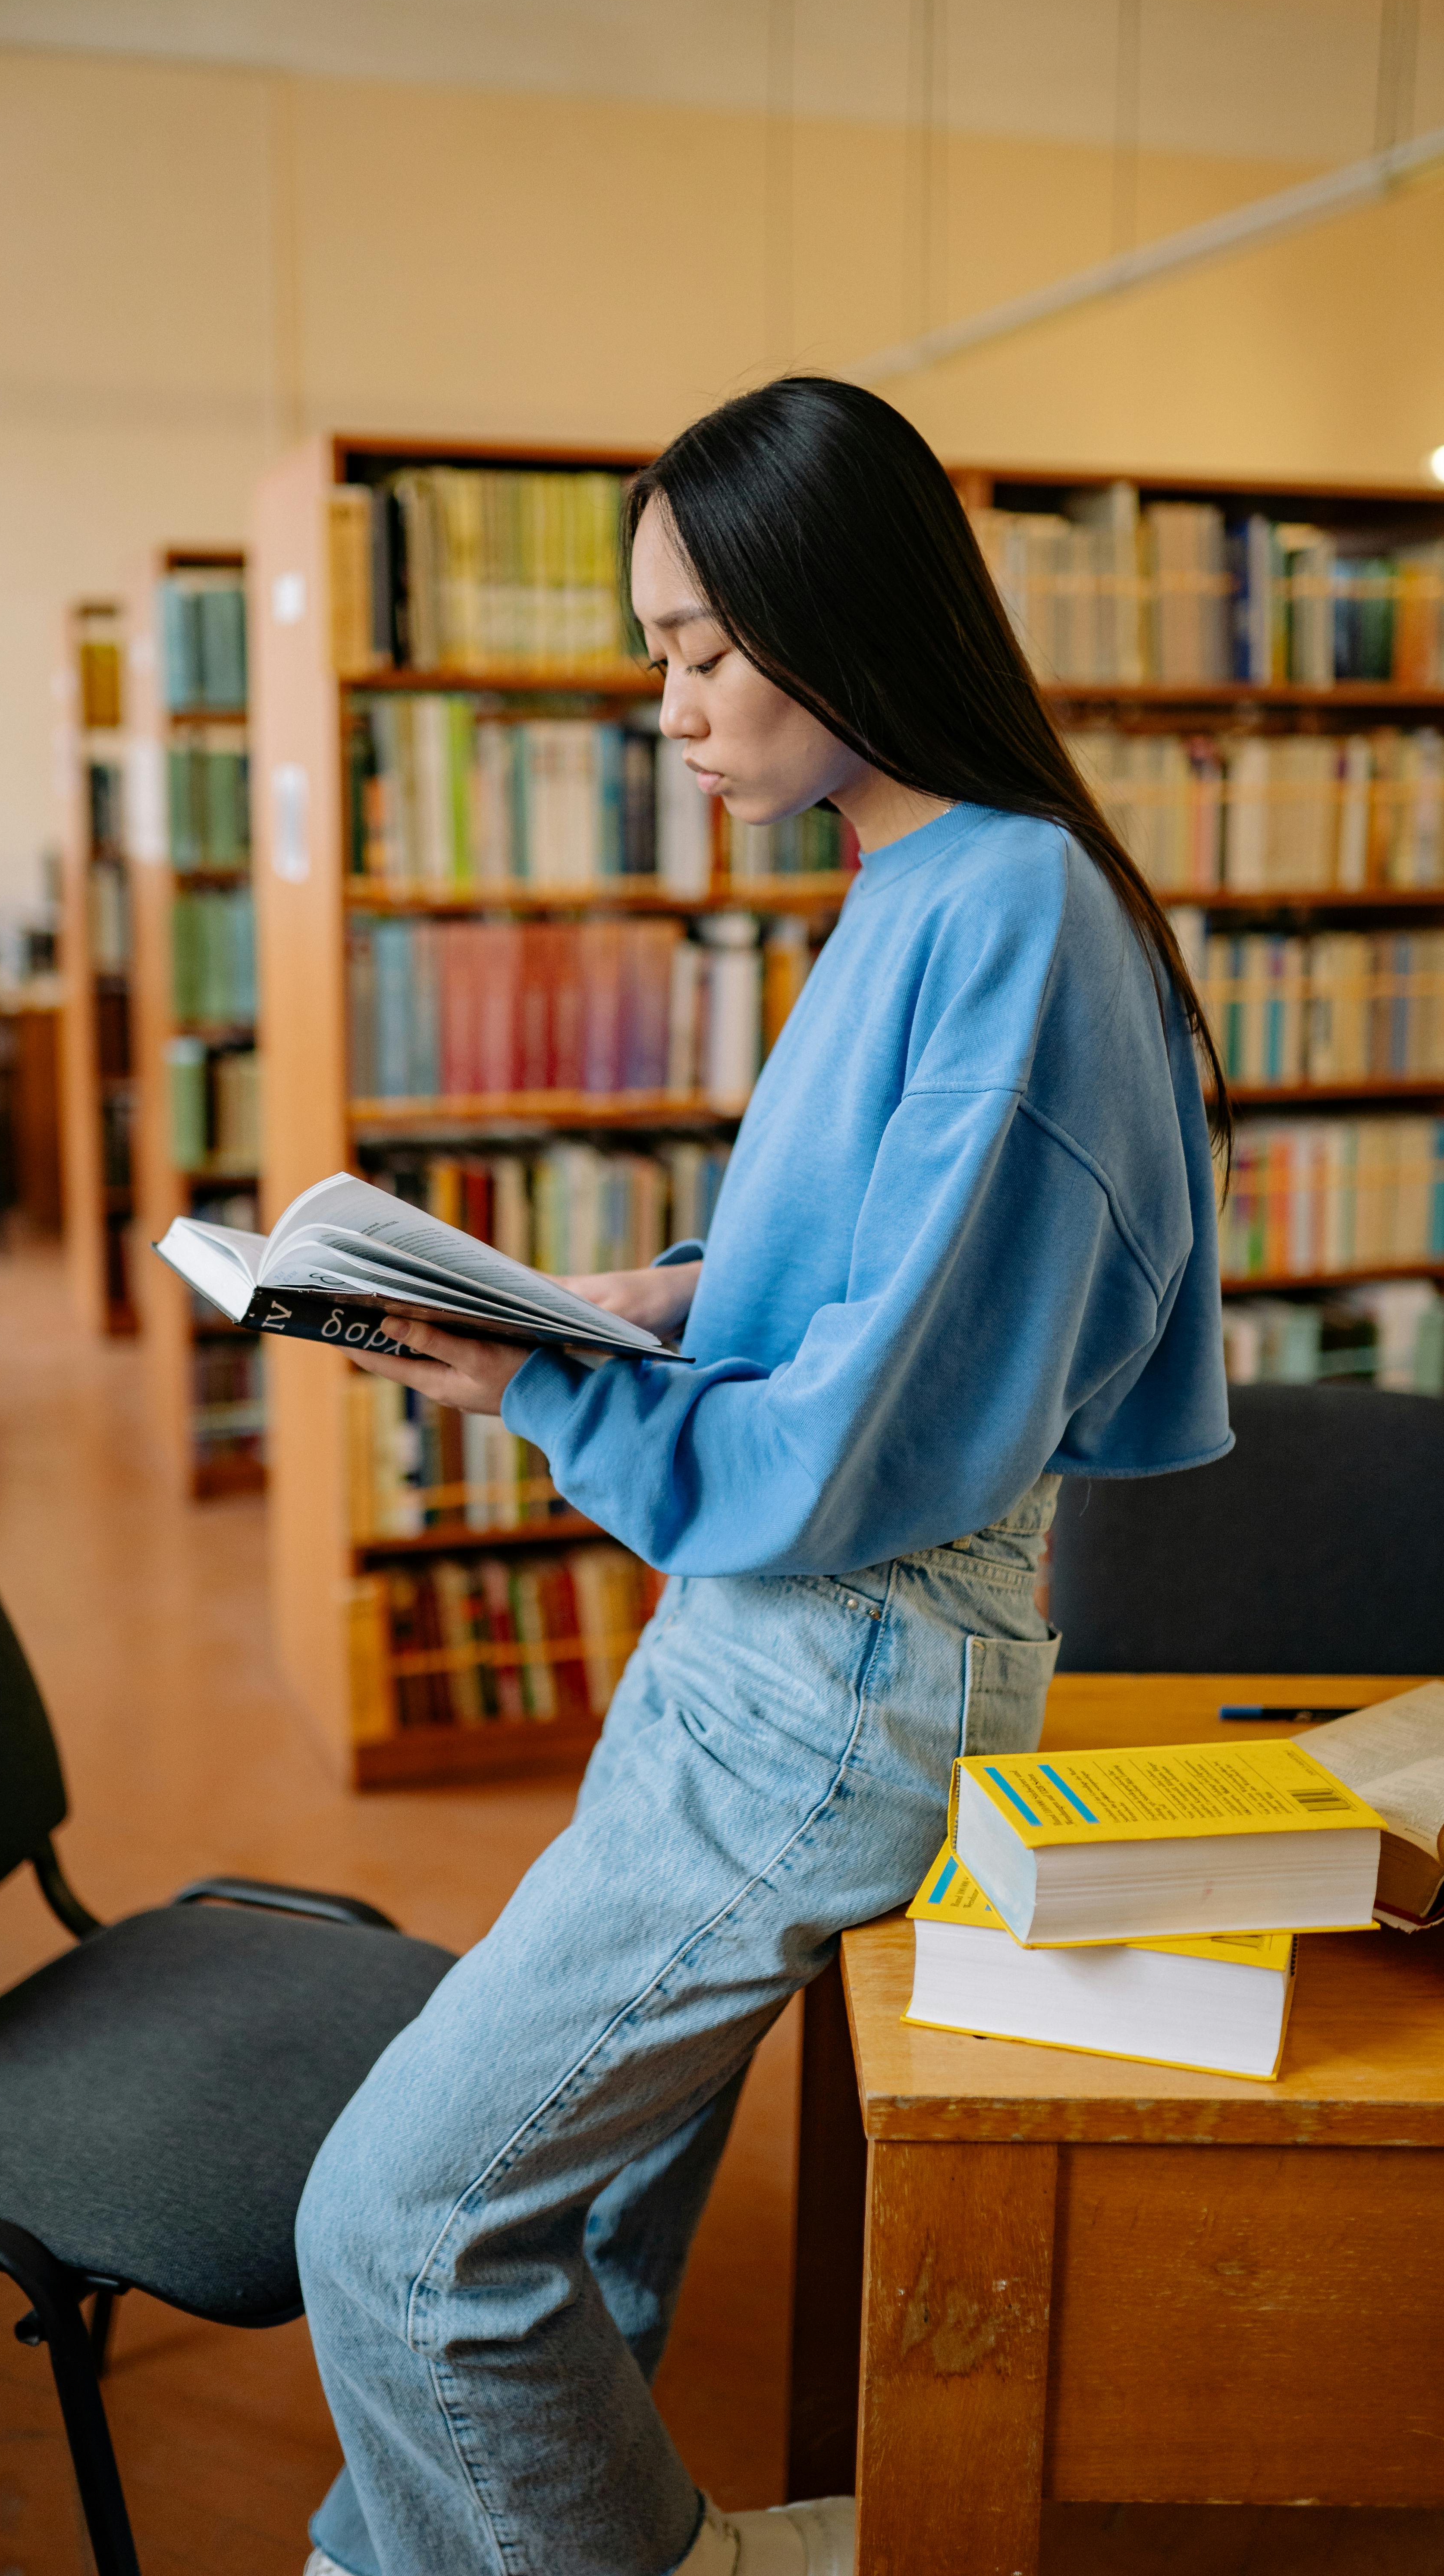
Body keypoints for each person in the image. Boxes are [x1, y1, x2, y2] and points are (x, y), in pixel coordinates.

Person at [295, 377, 1232, 2576]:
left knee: (407, 2233)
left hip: (838, 1677)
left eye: (704, 650)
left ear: (844, 613)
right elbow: (852, 1278)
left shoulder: (1005, 912)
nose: (674, 710)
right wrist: (631, 1300)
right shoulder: (920, 881)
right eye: (654, 661)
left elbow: (858, 1445)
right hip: (769, 1659)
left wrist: (541, 1389)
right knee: (581, 2228)